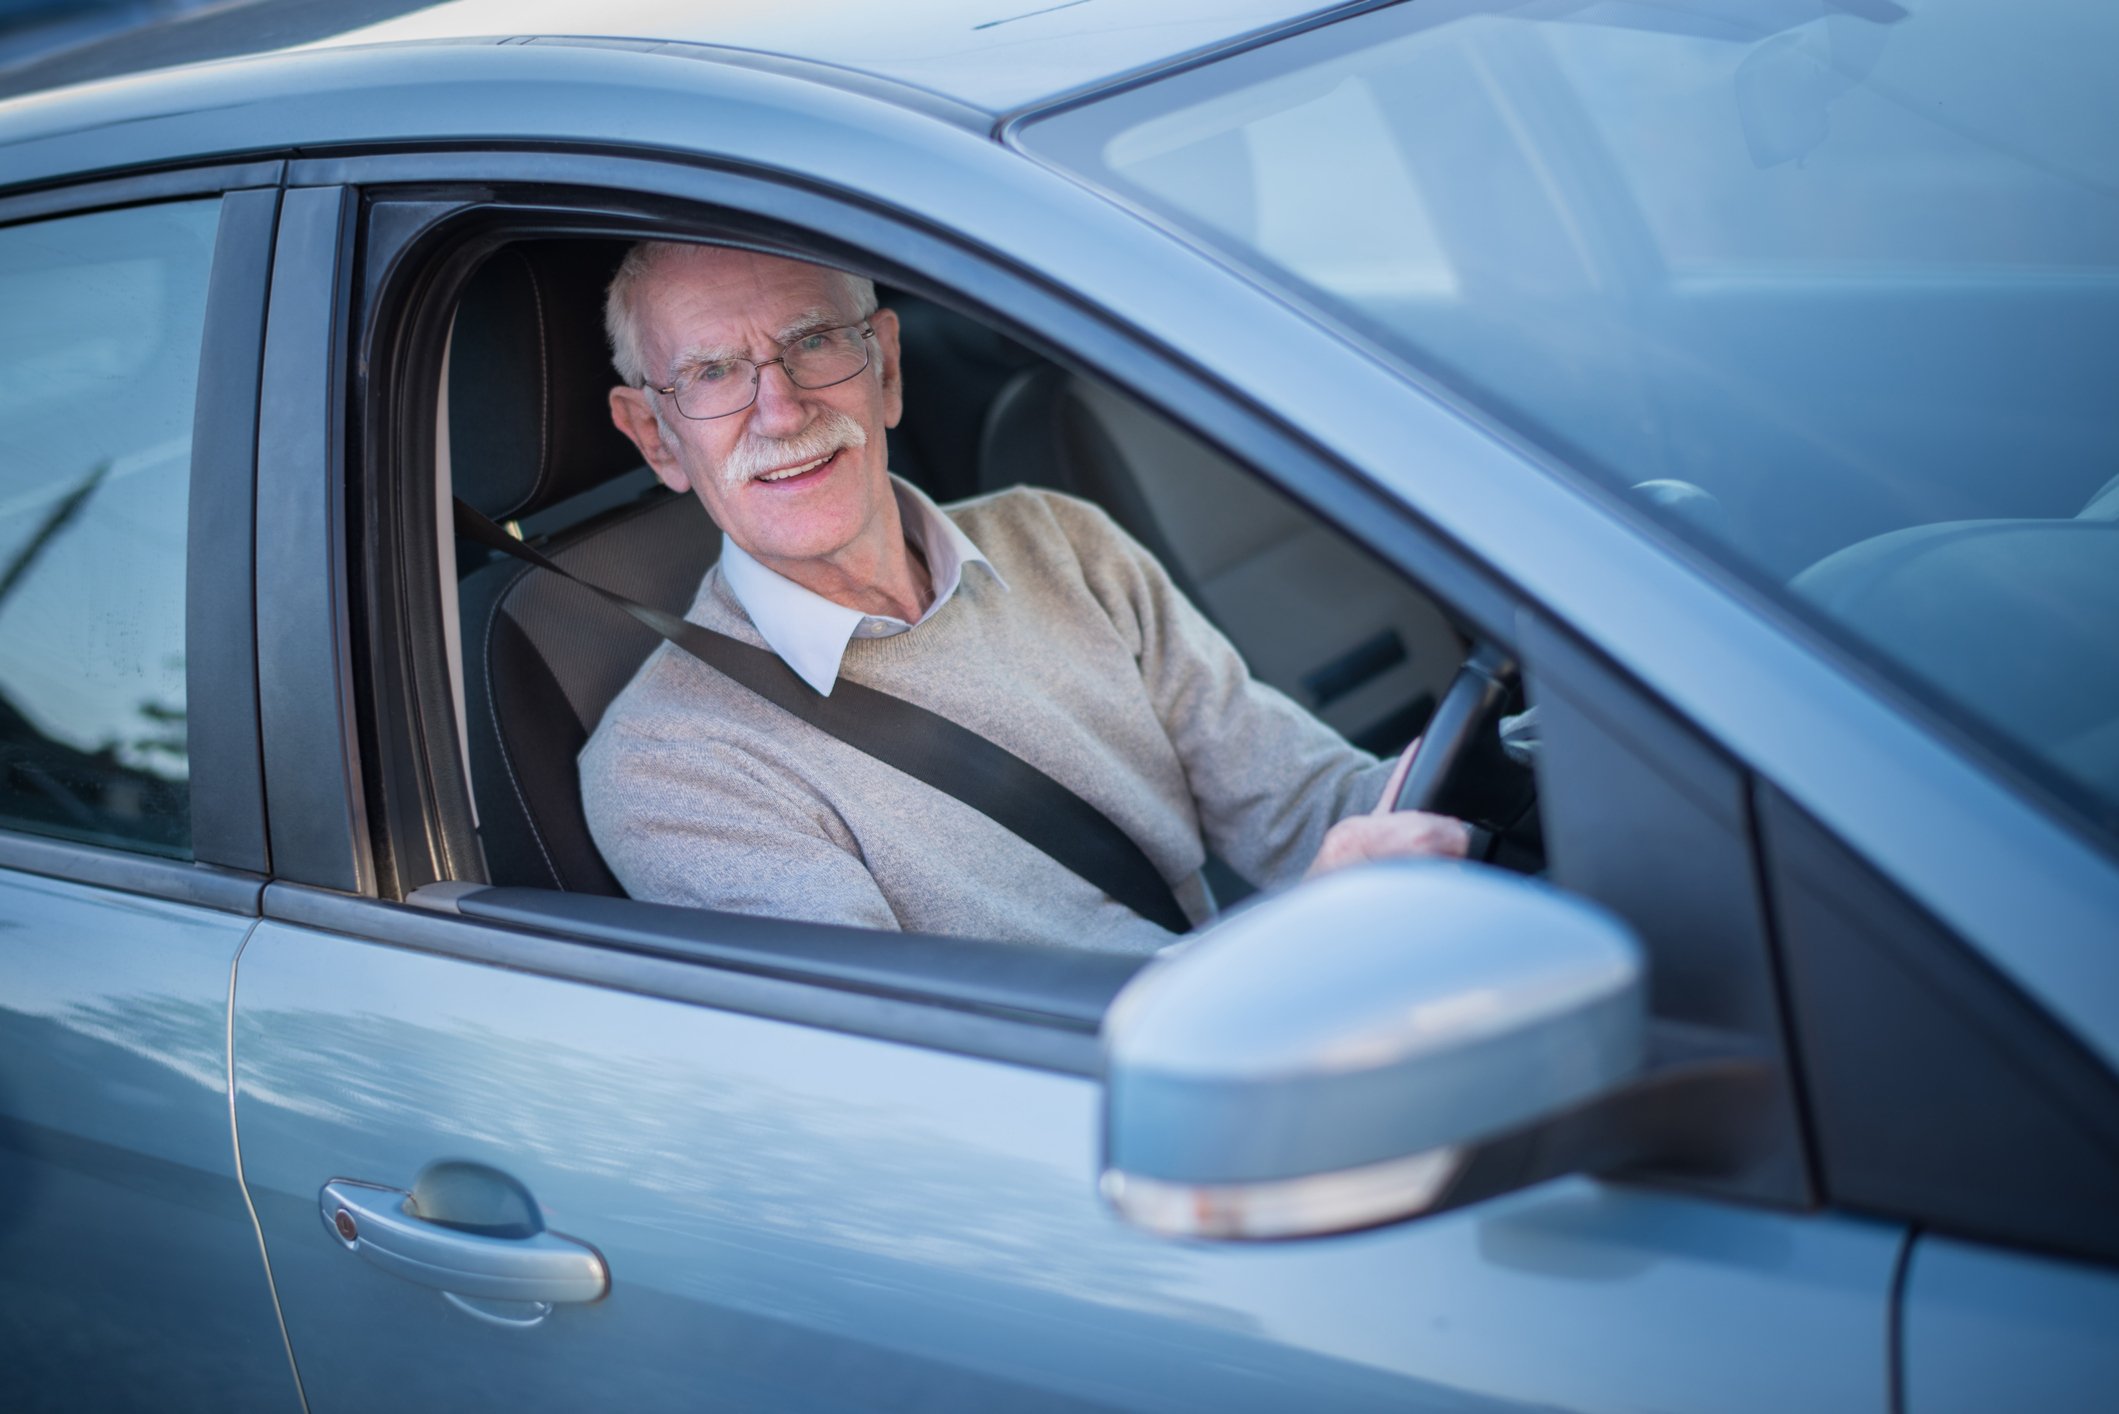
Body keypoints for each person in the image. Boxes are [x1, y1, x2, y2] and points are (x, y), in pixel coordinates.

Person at [581, 241, 1470, 952]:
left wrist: (1499, 769)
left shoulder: (1057, 539)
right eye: (710, 375)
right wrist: (1301, 942)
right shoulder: (669, 764)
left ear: (883, 366)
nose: (778, 409)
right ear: (654, 437)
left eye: (811, 341)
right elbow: (919, 1063)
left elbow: (1301, 807)